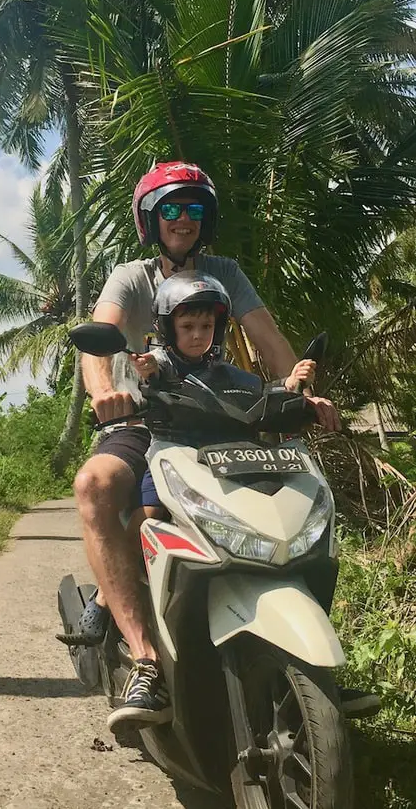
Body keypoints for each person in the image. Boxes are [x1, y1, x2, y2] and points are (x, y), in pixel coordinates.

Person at [71, 161, 371, 734]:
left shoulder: (225, 273)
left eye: (195, 210)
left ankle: (308, 659)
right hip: (145, 419)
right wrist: (107, 391)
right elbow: (99, 335)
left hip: (220, 418)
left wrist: (301, 396)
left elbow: (271, 343)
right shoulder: (131, 276)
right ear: (150, 220)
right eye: (172, 209)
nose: (184, 220)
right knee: (97, 485)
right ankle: (144, 658)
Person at [131, 270, 317, 513]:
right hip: (173, 454)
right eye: (187, 326)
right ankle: (137, 550)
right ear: (167, 327)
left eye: (206, 326)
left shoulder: (225, 371)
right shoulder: (161, 362)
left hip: (224, 458)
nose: (197, 334)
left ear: (217, 329)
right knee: (151, 511)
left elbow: (257, 396)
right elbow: (152, 374)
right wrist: (148, 370)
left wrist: (290, 384)